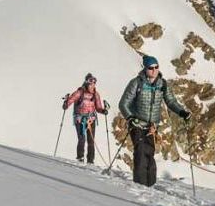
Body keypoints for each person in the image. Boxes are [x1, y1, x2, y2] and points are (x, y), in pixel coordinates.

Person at [117, 55, 191, 186]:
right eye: (151, 68)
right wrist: (130, 117)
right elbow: (123, 103)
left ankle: (150, 186)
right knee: (140, 153)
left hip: (152, 127)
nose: (154, 70)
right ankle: (140, 187)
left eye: (156, 67)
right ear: (145, 69)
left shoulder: (162, 84)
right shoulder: (136, 83)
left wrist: (182, 112)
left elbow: (171, 101)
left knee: (149, 155)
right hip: (137, 123)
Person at [63, 73, 109, 164]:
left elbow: (98, 107)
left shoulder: (95, 94)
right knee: (82, 139)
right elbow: (72, 99)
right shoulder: (80, 92)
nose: (93, 85)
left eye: (94, 83)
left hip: (91, 119)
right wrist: (66, 104)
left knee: (91, 141)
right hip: (80, 119)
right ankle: (80, 158)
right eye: (91, 82)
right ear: (86, 82)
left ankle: (90, 161)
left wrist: (103, 111)